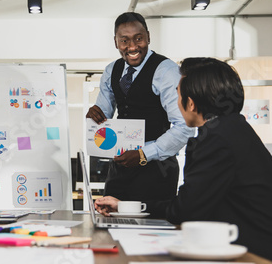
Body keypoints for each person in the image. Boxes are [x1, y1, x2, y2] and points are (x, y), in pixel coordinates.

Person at [95, 57, 272, 260]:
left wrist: (129, 206)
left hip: (254, 254)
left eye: (177, 94)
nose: (176, 102)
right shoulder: (233, 128)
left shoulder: (215, 140)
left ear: (190, 102)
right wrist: (125, 206)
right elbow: (191, 204)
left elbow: (185, 211)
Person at [86, 12, 194, 201]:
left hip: (157, 169)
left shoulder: (166, 70)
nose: (133, 46)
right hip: (119, 168)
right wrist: (95, 116)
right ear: (116, 42)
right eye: (124, 40)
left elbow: (184, 127)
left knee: (152, 227)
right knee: (109, 222)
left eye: (139, 38)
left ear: (148, 37)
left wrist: (143, 154)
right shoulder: (112, 70)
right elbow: (104, 116)